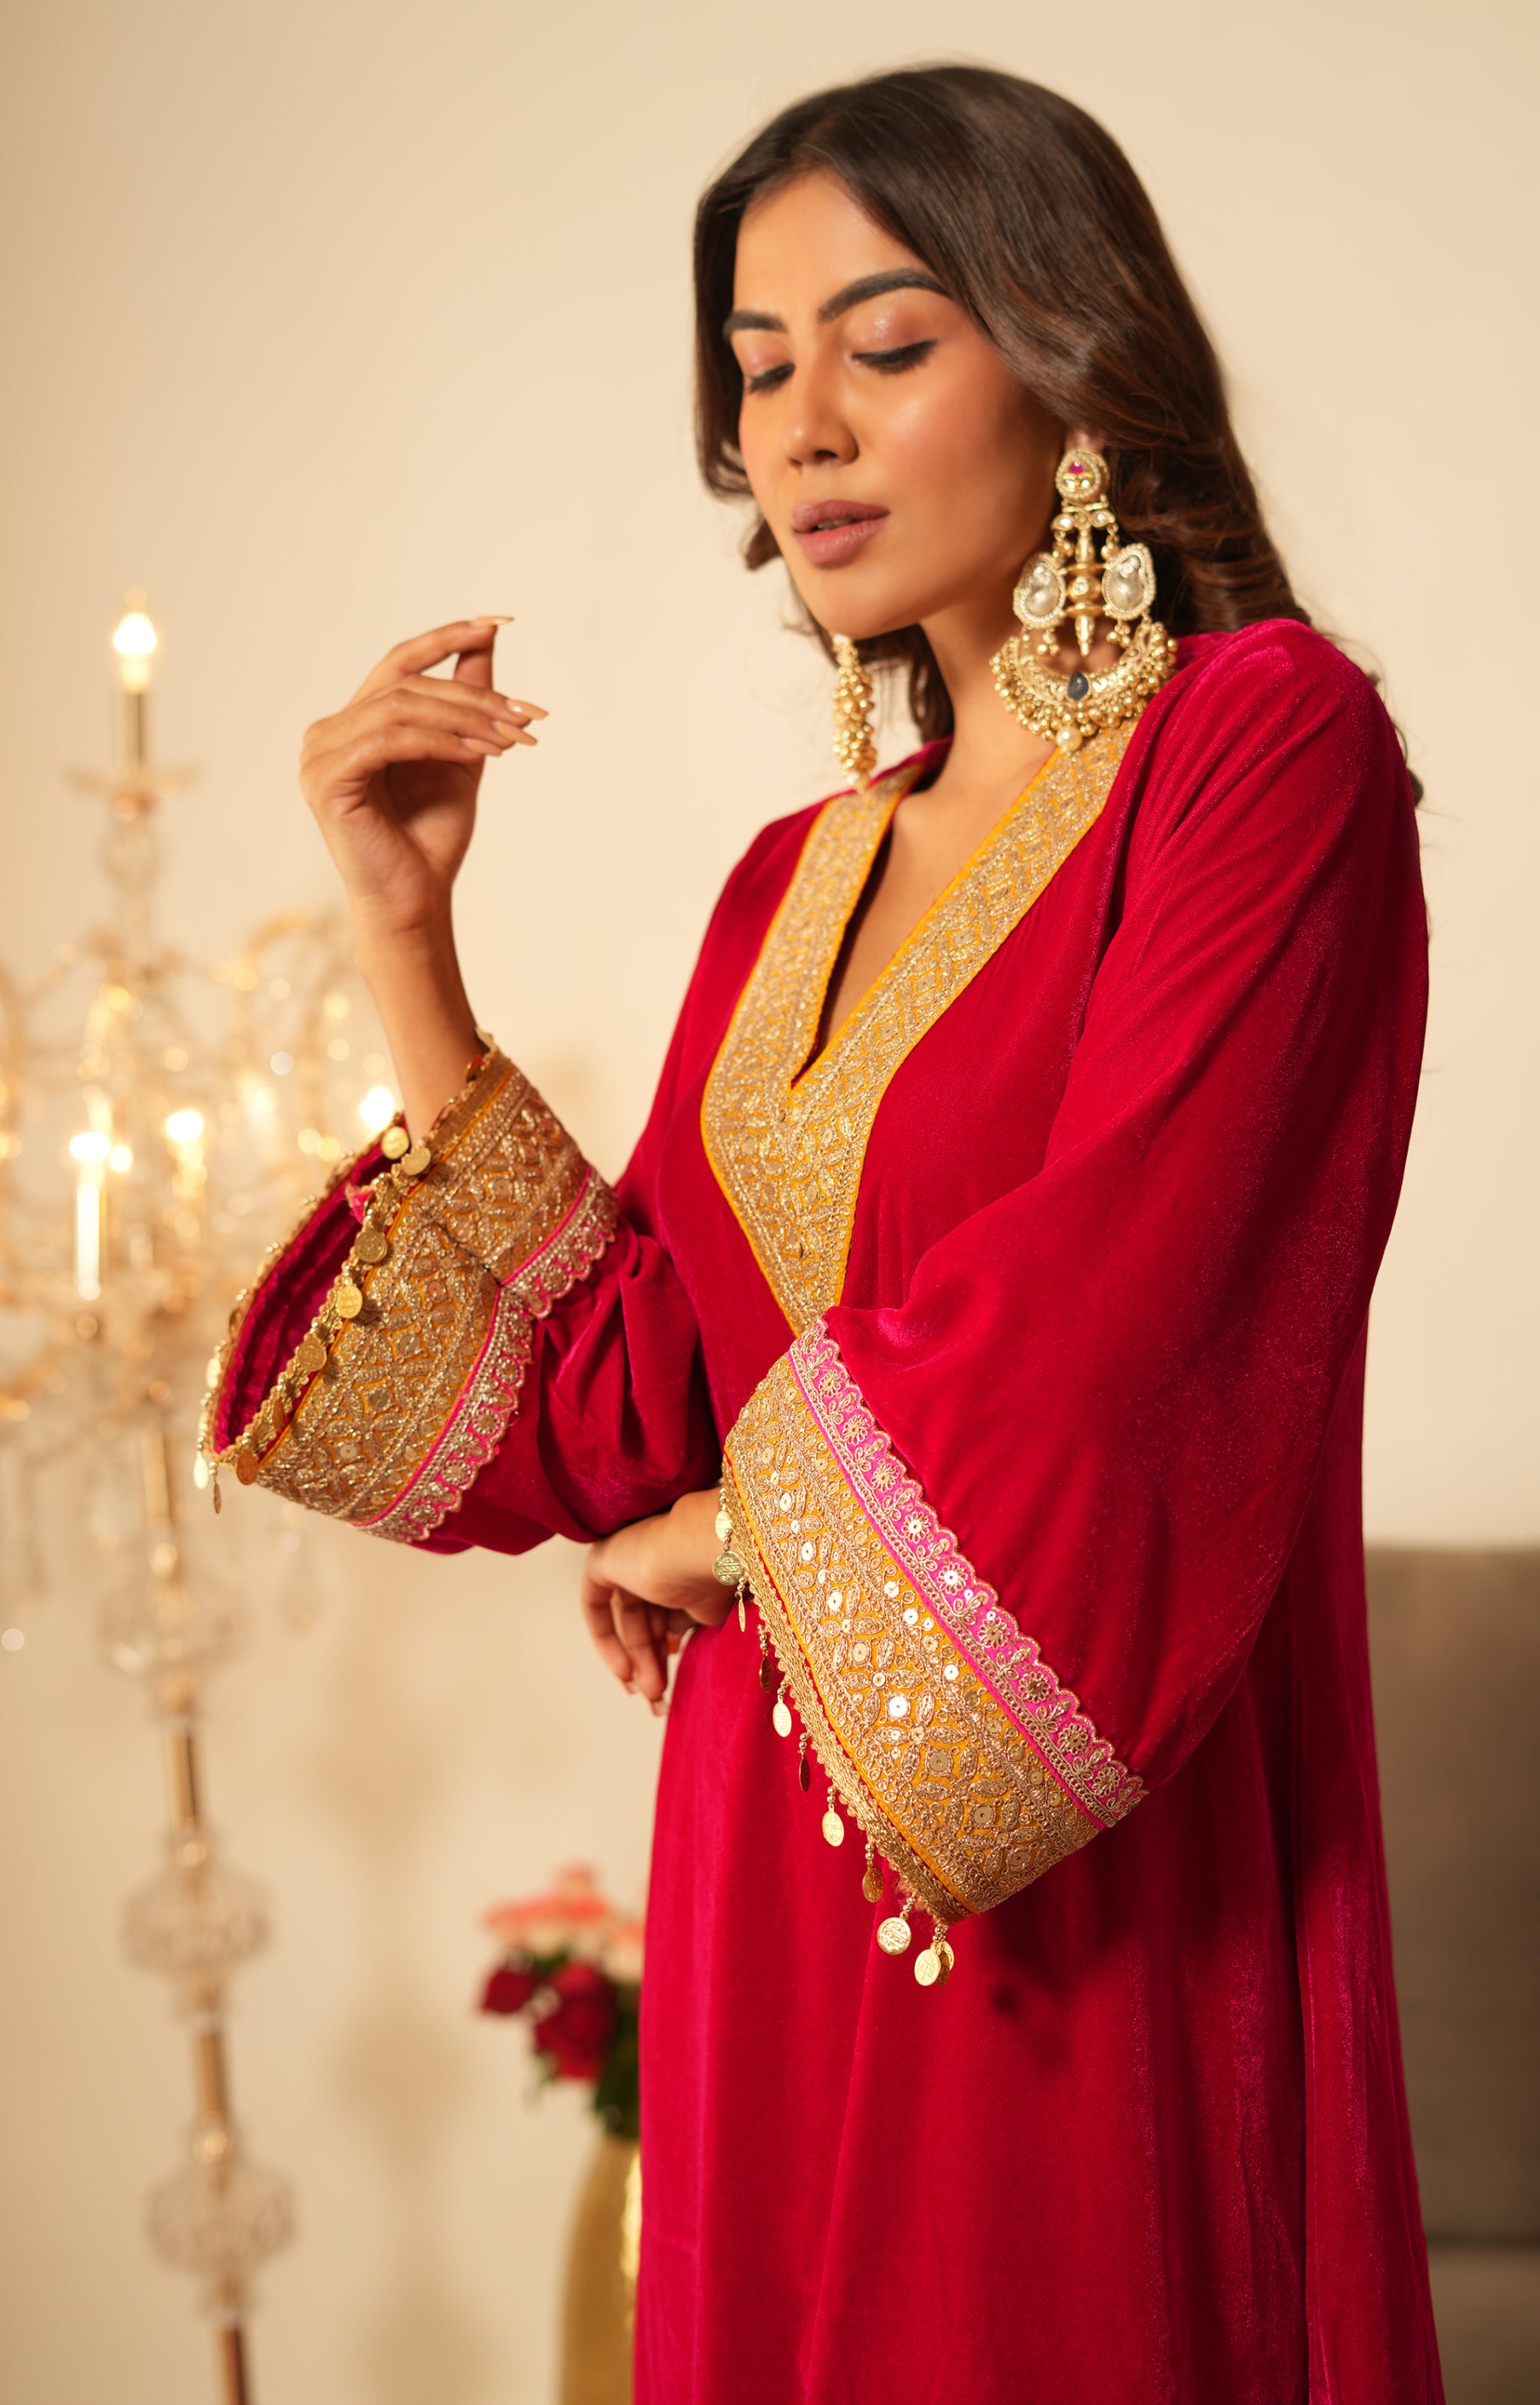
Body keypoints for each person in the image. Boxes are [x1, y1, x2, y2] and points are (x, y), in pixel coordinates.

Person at [201, 65, 1442, 2402]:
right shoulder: (802, 879)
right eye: (760, 372)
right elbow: (629, 1395)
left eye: (885, 345)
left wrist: (731, 1546)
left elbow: (1123, 1322)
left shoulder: (1261, 751)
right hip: (778, 1868)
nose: (805, 429)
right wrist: (405, 940)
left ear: (1065, 353)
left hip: (1089, 1873)